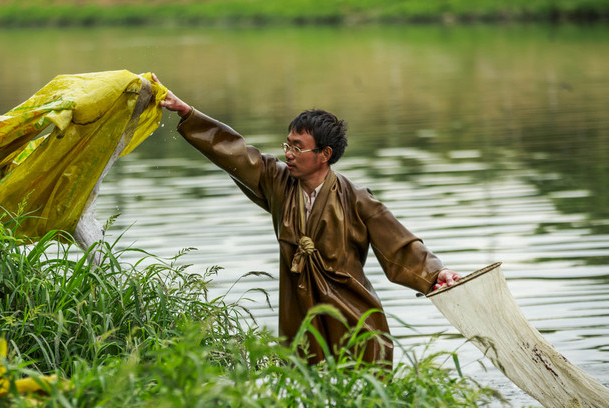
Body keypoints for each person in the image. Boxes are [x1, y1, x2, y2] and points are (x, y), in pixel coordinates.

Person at [154, 75, 461, 368]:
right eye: (287, 145)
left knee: (360, 403)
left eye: (297, 147)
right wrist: (188, 114)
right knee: (306, 395)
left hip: (354, 319)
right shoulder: (276, 182)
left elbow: (400, 248)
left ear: (324, 154)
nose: (288, 154)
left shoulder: (357, 199)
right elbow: (234, 152)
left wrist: (437, 272)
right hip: (300, 318)